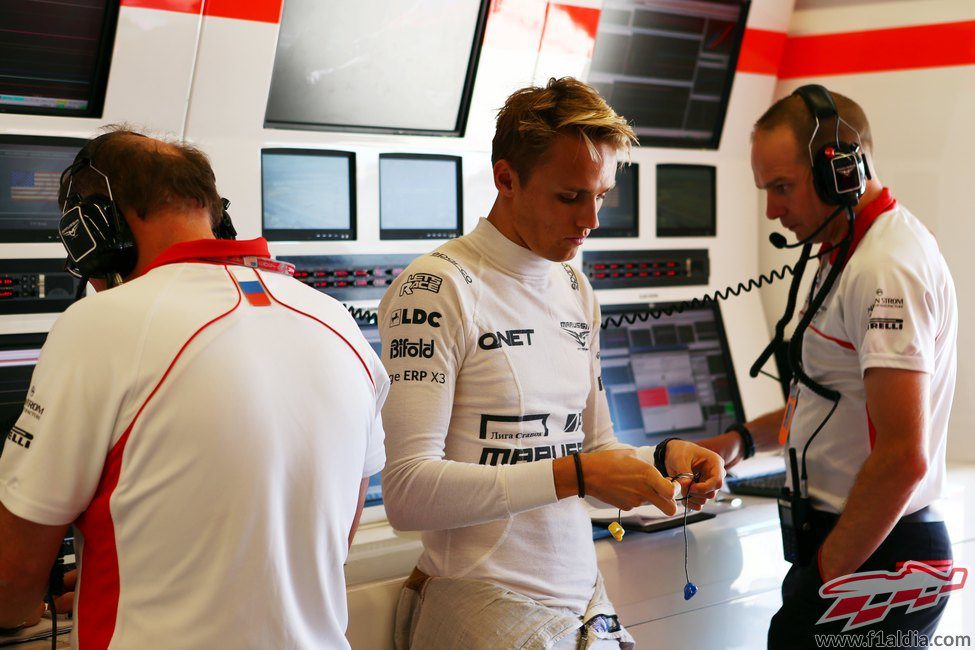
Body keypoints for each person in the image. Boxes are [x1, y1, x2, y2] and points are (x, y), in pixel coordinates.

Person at [0, 128, 388, 648]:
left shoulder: (97, 324)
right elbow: (330, 538)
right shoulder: (338, 322)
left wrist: (26, 604)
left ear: (93, 233)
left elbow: (14, 577)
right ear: (216, 216)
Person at [379, 77, 725, 649]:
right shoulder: (436, 287)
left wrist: (662, 458)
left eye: (603, 195)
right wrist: (578, 474)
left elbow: (596, 457)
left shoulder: (574, 287)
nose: (591, 219)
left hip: (585, 609)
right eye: (571, 197)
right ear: (506, 178)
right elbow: (408, 494)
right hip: (483, 610)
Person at [700, 86, 958, 648]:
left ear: (841, 172)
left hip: (876, 556)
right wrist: (741, 440)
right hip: (857, 550)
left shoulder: (887, 267)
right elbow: (828, 397)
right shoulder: (847, 252)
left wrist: (826, 574)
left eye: (783, 187)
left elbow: (901, 457)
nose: (773, 209)